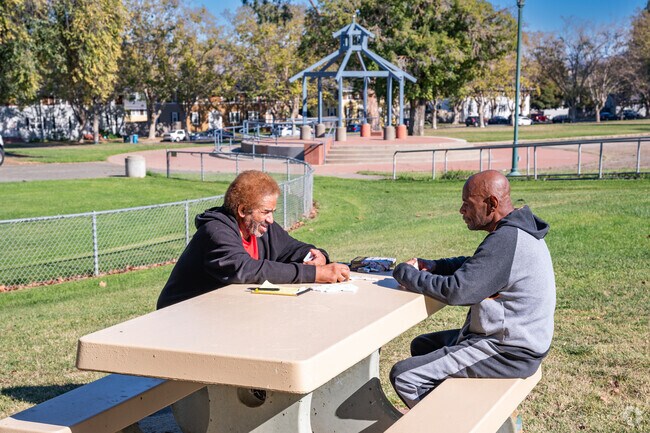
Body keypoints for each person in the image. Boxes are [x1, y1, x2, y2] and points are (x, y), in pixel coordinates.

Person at [390, 170, 556, 408]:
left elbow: (458, 291)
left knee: (405, 377)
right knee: (422, 346)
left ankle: (447, 423)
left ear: (491, 204)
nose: (461, 211)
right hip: (518, 341)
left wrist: (406, 274)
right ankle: (454, 406)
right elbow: (477, 265)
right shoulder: (516, 230)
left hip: (509, 351)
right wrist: (435, 266)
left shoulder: (506, 239)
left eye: (467, 204)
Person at [157, 170, 349, 309]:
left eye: (272, 212)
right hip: (179, 317)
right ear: (242, 210)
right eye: (265, 212)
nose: (271, 219)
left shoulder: (261, 228)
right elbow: (245, 269)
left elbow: (293, 248)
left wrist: (317, 256)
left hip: (218, 314)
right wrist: (315, 274)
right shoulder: (215, 231)